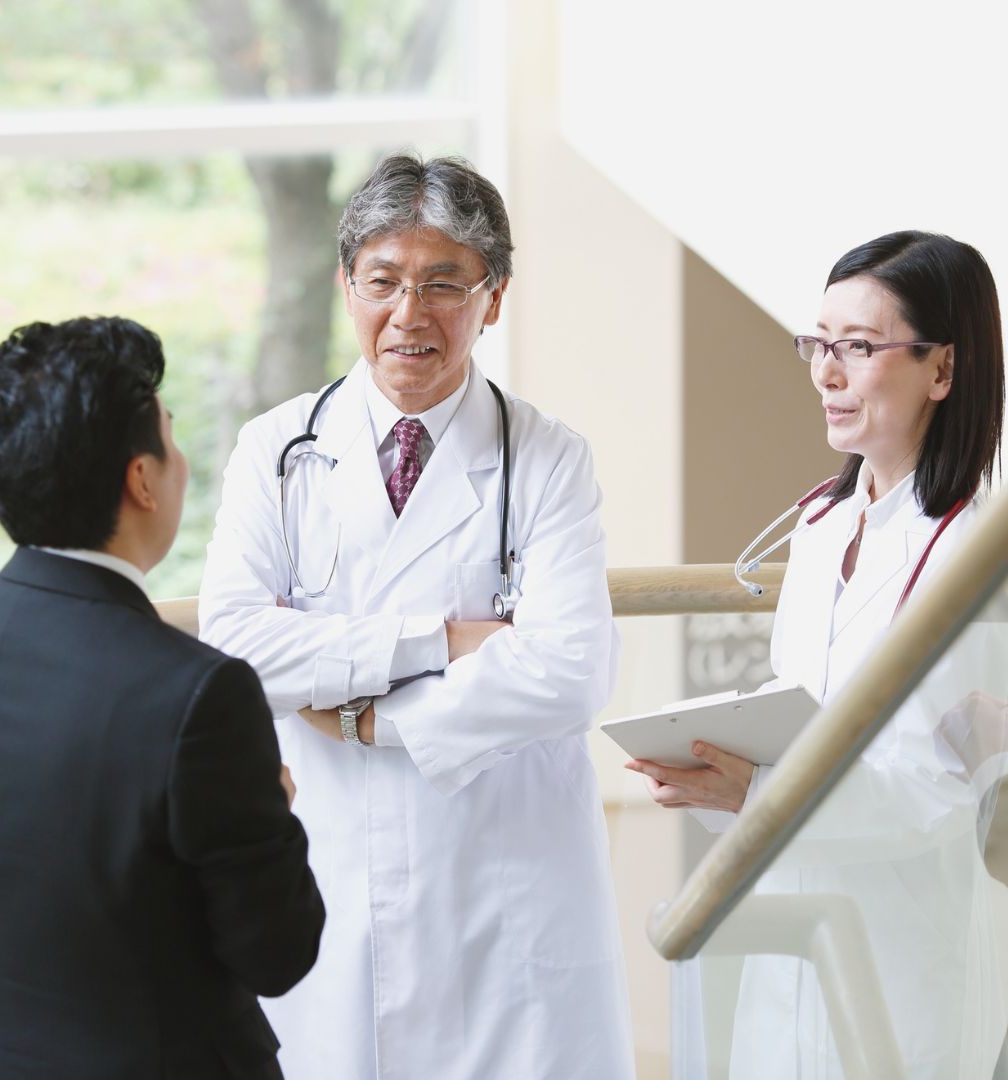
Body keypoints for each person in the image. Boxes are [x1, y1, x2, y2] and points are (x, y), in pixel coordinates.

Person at [199, 153, 635, 1080]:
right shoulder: (276, 450)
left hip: (506, 881)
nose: (410, 314)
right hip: (333, 870)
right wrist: (442, 641)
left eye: (444, 283)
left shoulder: (550, 460)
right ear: (345, 287)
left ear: (495, 297)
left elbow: (568, 675)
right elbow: (236, 645)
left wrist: (364, 715)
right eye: (383, 281)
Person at [627, 231, 1007, 1077]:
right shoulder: (822, 525)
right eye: (818, 343)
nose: (826, 373)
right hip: (787, 948)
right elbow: (800, 713)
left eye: (859, 348)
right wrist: (724, 763)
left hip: (901, 964)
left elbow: (941, 792)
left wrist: (761, 791)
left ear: (942, 370)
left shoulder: (976, 559)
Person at [0, 317, 325, 1079]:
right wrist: (271, 812)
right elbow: (279, 954)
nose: (180, 461)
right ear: (141, 480)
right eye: (171, 441)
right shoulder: (199, 693)